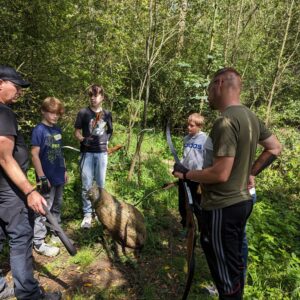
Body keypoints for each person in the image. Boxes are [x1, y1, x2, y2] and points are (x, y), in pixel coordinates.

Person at [173, 67, 282, 299]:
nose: (209, 93)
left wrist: (186, 174)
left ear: (220, 83)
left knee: (226, 281)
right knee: (234, 265)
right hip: (242, 203)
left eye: (210, 86)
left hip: (223, 207)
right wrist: (250, 173)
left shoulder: (225, 121)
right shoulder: (251, 117)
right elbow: (275, 147)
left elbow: (220, 174)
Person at [0, 65, 62, 299]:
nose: (19, 92)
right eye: (15, 87)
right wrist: (29, 191)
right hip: (9, 191)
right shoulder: (3, 113)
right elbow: (4, 157)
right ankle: (30, 295)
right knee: (21, 238)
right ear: (0, 84)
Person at [31, 97, 67, 257]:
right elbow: (34, 154)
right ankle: (38, 241)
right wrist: (41, 177)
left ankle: (55, 232)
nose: (55, 116)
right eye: (52, 113)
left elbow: (60, 152)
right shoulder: (39, 130)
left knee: (57, 205)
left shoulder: (57, 130)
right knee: (43, 208)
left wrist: (64, 170)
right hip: (46, 177)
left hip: (59, 175)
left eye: (57, 114)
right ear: (44, 112)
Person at [74, 84, 113, 229]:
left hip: (102, 154)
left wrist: (107, 142)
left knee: (100, 185)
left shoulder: (107, 114)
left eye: (96, 95)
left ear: (102, 97)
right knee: (86, 185)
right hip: (87, 153)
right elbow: (77, 132)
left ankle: (98, 212)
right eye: (91, 95)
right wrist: (82, 139)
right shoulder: (83, 113)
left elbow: (110, 130)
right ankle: (87, 215)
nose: (93, 99)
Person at [178, 113, 207, 232]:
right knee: (183, 204)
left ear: (199, 126)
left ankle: (202, 230)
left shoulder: (206, 140)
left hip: (197, 178)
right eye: (188, 125)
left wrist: (203, 178)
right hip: (184, 176)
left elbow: (208, 159)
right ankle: (186, 226)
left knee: (197, 205)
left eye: (192, 126)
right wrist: (179, 166)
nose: (188, 128)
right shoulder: (186, 139)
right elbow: (186, 156)